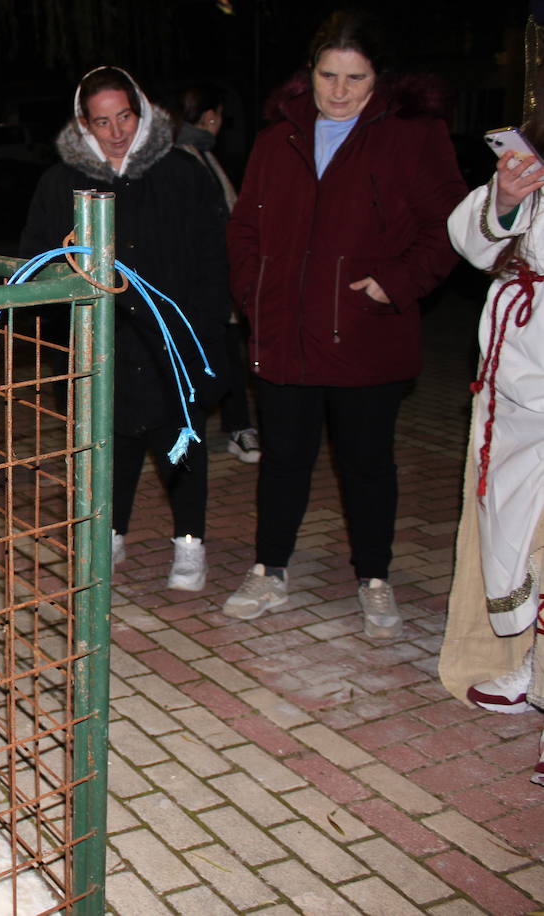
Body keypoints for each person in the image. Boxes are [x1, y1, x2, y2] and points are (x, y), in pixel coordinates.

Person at [222, 10, 466, 635]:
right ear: (310, 73)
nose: (339, 91)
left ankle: (374, 576)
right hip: (284, 332)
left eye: (355, 78)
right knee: (283, 460)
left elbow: (452, 227)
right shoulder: (280, 137)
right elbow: (246, 227)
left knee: (366, 463)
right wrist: (255, 294)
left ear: (379, 78)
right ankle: (269, 569)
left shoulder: (412, 135)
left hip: (364, 332)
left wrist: (399, 283)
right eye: (328, 74)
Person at [19, 66, 229, 592]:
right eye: (102, 121)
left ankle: (189, 543)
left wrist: (209, 330)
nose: (116, 132)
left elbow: (212, 258)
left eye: (126, 117)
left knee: (181, 440)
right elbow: (36, 259)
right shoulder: (60, 181)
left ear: (143, 111)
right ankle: (109, 532)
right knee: (111, 444)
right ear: (84, 124)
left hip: (171, 334)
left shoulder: (181, 172)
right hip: (100, 338)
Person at [440, 68, 544, 782]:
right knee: (515, 529)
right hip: (518, 382)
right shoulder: (536, 140)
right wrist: (505, 198)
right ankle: (528, 670)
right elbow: (473, 242)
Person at [171, 83, 261, 465]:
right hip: (201, 283)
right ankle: (206, 430)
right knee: (210, 358)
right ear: (211, 116)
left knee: (226, 355)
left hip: (220, 280)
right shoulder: (184, 158)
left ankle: (238, 428)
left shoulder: (204, 155)